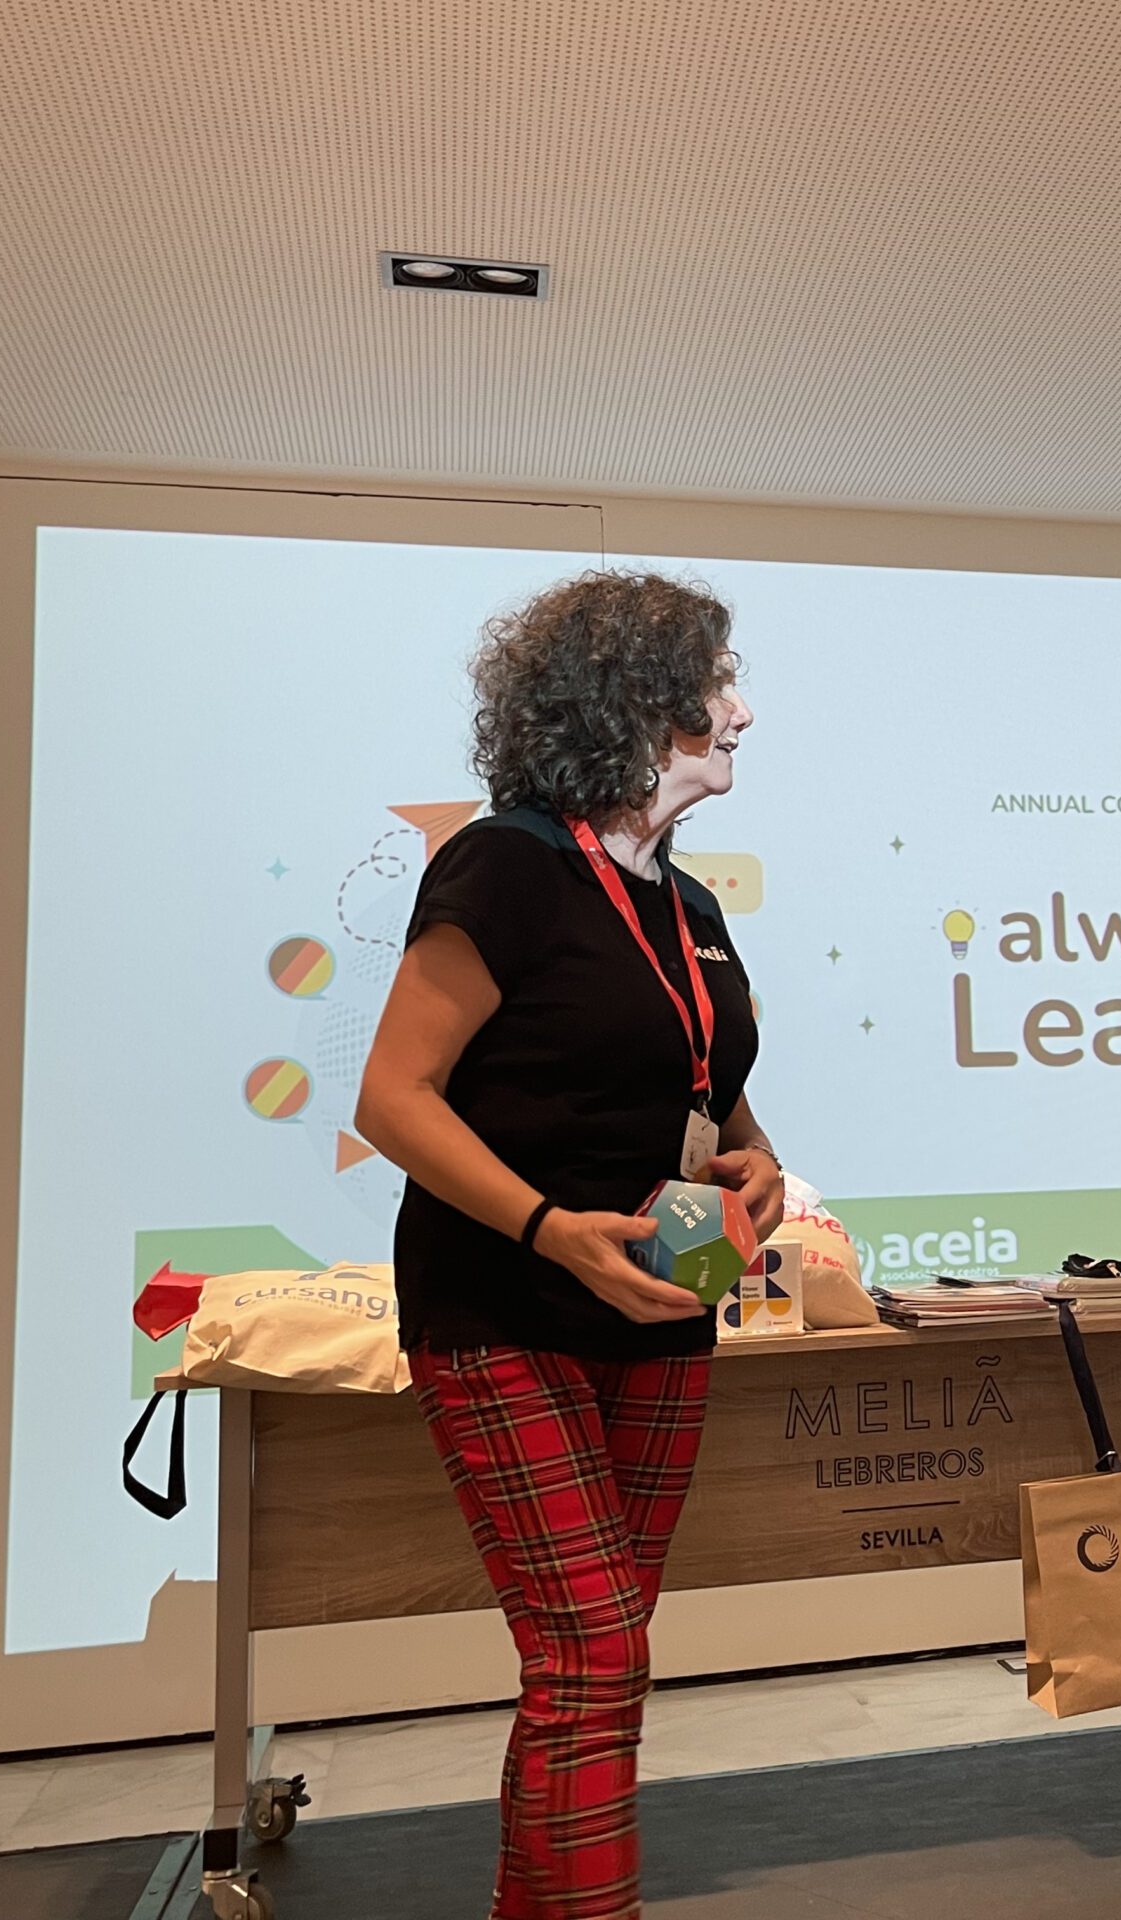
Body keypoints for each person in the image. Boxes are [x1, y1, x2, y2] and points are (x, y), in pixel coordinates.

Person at [357, 570, 782, 1920]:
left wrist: (759, 1163)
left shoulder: (692, 909)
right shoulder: (507, 863)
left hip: (663, 1309)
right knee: (593, 1652)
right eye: (719, 686)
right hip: (506, 1307)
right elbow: (392, 1099)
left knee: (599, 1661)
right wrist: (551, 1229)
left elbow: (705, 1090)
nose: (744, 714)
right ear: (632, 701)